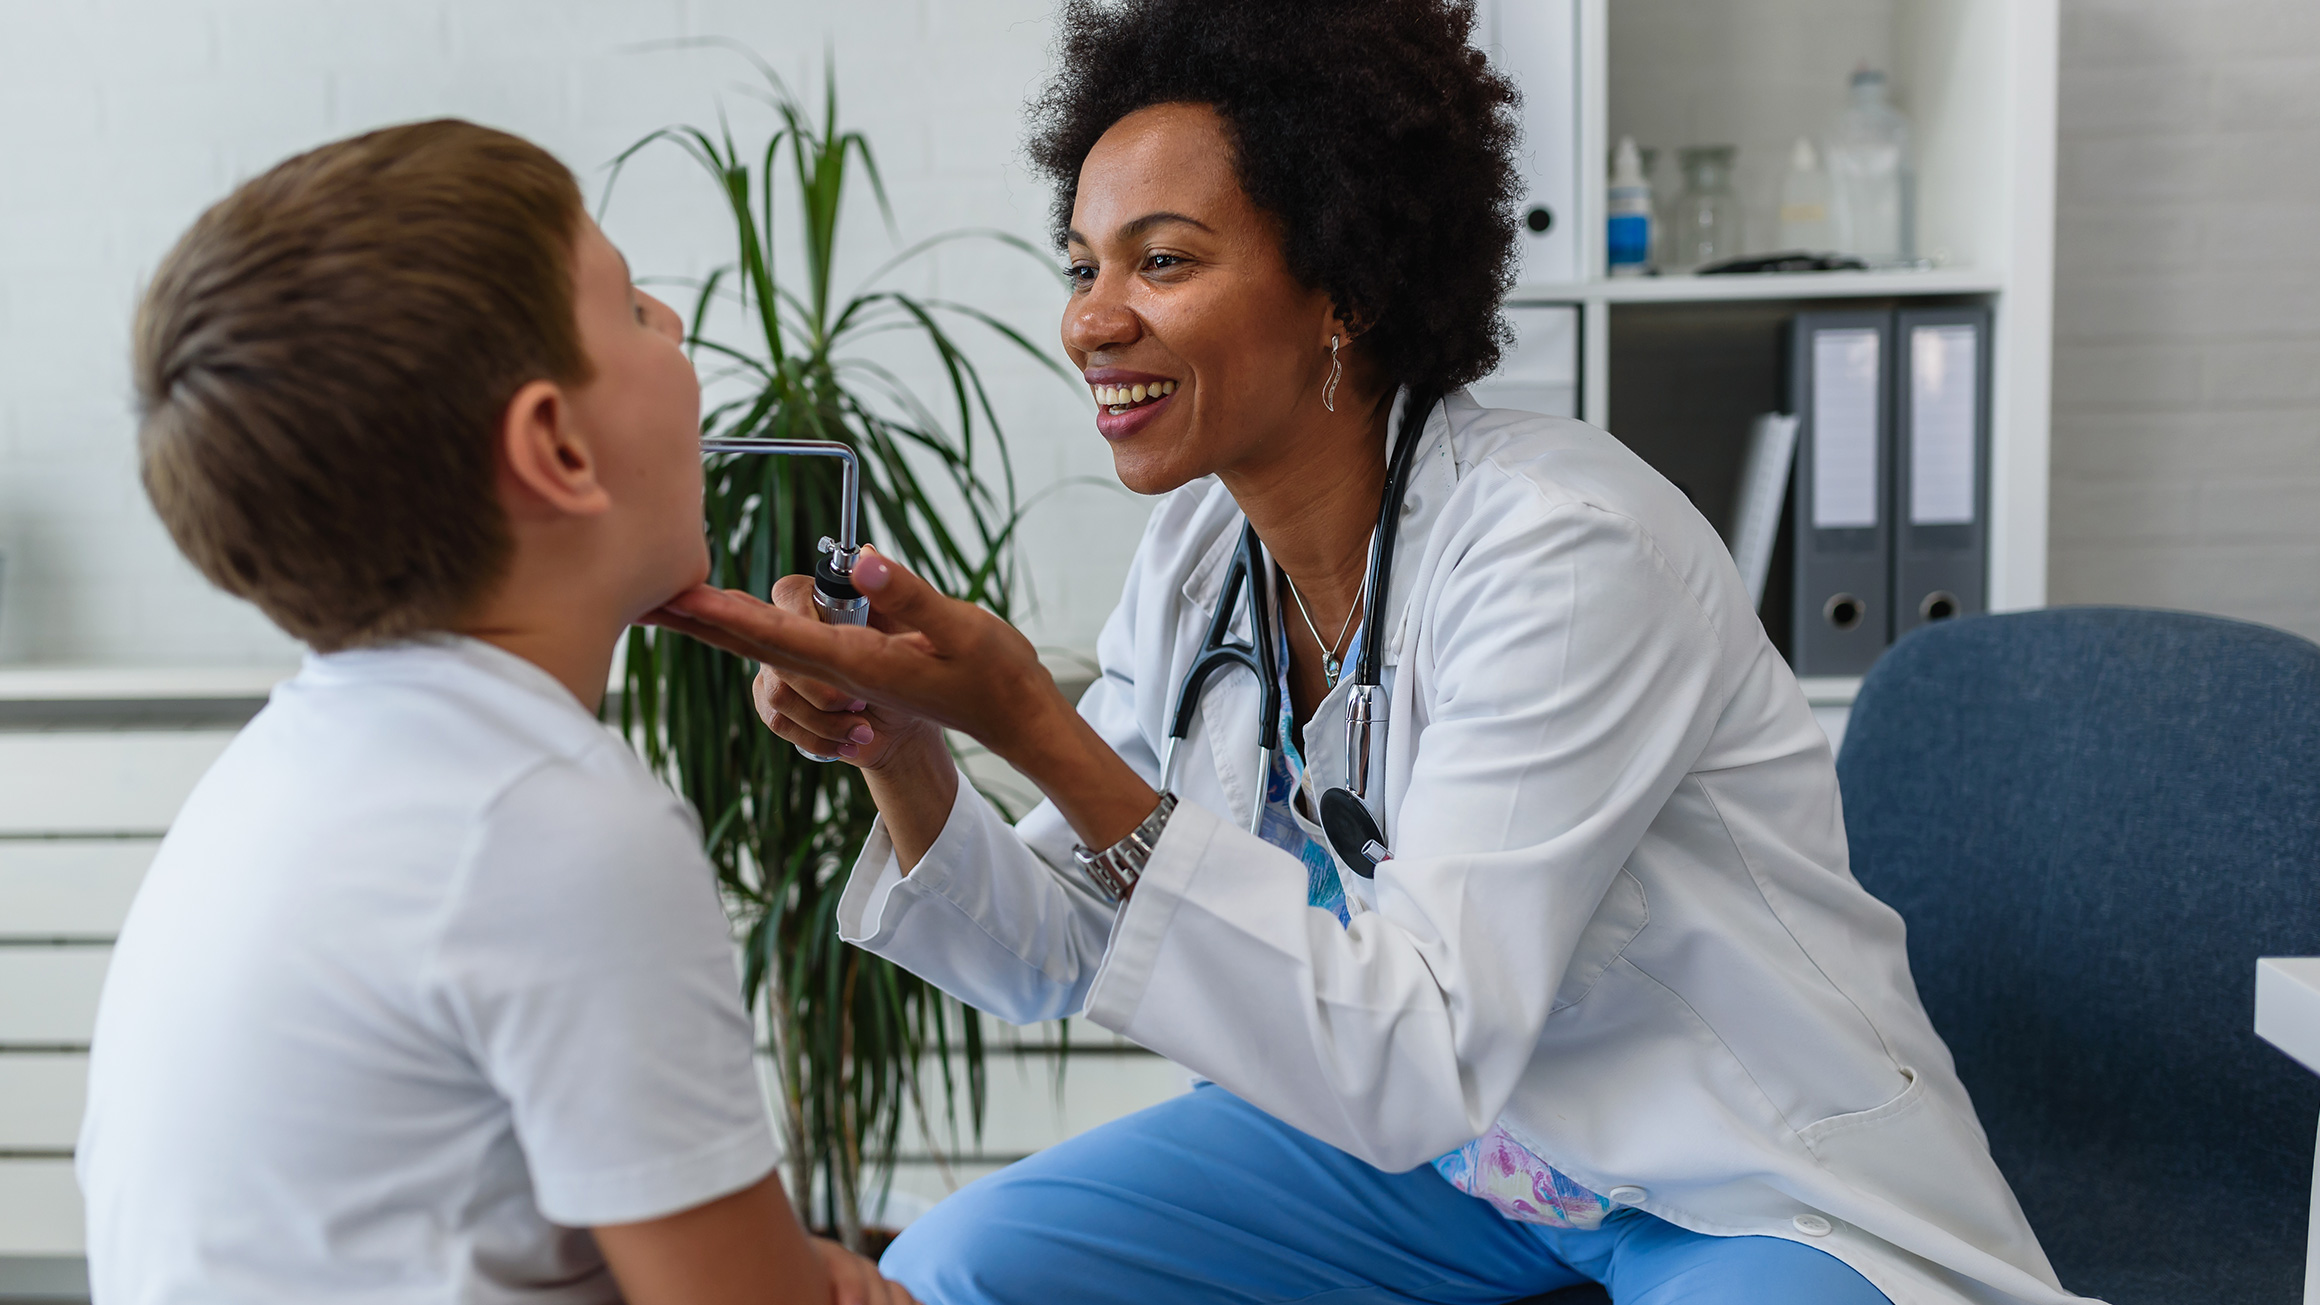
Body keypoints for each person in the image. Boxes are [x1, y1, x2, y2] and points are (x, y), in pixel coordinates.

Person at [648, 2, 2086, 1303]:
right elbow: (1055, 947)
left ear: (1344, 284)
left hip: (1729, 1176)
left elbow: (1419, 1050)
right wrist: (904, 746)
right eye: (1083, 263)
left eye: (1164, 259)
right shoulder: (1203, 564)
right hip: (1459, 1170)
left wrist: (1031, 714)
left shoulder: (1565, 552)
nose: (1092, 319)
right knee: (968, 1264)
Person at [76, 120, 914, 1305]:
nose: (674, 327)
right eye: (631, 310)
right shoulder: (551, 824)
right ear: (557, 449)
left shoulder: (292, 771)